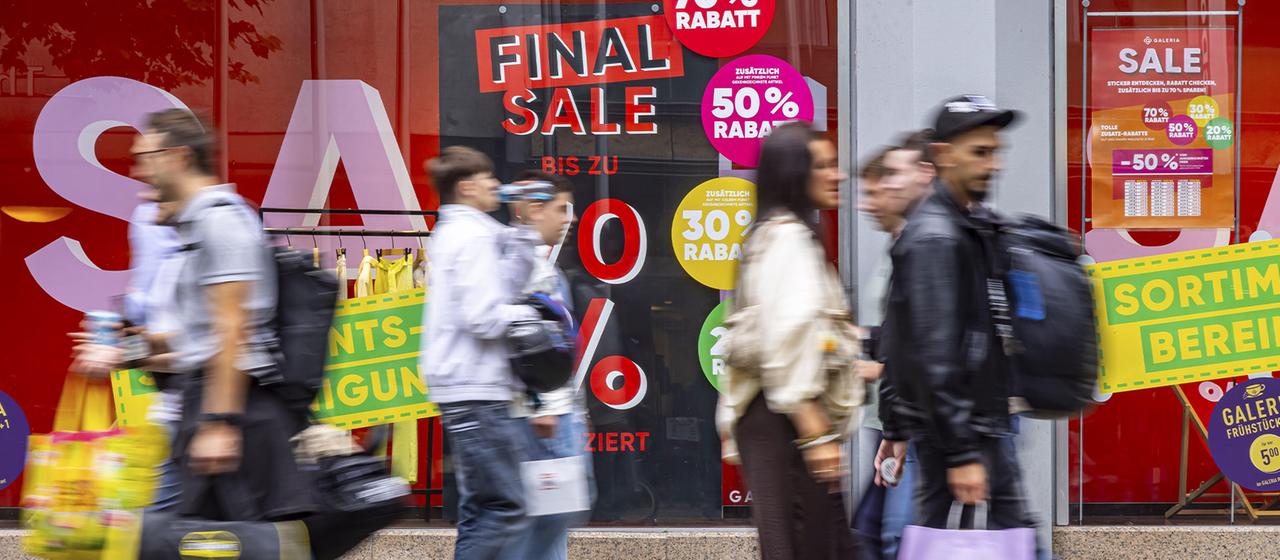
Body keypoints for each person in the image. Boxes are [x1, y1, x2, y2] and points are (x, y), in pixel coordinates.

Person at [136, 108, 313, 522]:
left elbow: (232, 327)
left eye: (145, 157)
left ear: (177, 157)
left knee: (178, 538)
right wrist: (134, 348)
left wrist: (219, 423)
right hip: (202, 404)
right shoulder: (195, 227)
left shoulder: (220, 221)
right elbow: (199, 332)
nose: (140, 172)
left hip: (229, 408)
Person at [878, 95, 1042, 535]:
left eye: (997, 152)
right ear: (945, 156)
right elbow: (933, 353)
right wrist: (962, 454)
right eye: (981, 153)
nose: (995, 165)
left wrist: (894, 423)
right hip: (965, 429)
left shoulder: (967, 226)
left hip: (972, 424)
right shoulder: (937, 238)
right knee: (1006, 537)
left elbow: (900, 334)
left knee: (963, 535)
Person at [721, 121, 865, 559]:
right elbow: (787, 339)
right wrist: (815, 435)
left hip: (776, 420)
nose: (837, 175)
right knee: (806, 546)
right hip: (786, 421)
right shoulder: (789, 239)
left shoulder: (772, 235)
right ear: (793, 175)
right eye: (823, 165)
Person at [422, 146, 543, 560]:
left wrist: (524, 229)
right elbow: (484, 317)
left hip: (468, 387)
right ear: (466, 187)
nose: (497, 184)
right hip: (476, 389)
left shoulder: (470, 232)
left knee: (481, 507)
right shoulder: (471, 236)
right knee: (506, 506)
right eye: (488, 177)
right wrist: (531, 318)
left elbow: (505, 286)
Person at [504, 170, 594, 560]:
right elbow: (535, 348)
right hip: (544, 420)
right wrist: (550, 408)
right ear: (533, 209)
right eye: (562, 208)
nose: (570, 218)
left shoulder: (524, 263)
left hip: (544, 416)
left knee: (544, 521)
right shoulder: (529, 268)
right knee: (546, 522)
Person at [852, 130, 934, 559]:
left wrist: (879, 368)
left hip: (910, 421)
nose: (872, 198)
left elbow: (930, 341)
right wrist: (860, 339)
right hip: (889, 419)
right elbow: (900, 333)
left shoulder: (927, 246)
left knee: (895, 538)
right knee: (875, 533)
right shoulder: (901, 250)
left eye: (886, 180)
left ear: (926, 174)